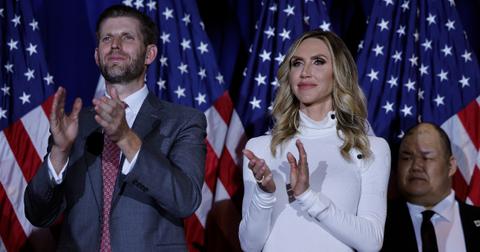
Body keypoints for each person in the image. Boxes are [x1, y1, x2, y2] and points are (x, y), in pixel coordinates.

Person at [24, 5, 206, 251]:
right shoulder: (76, 125)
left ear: (150, 54)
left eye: (127, 37)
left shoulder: (184, 121)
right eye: (107, 38)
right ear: (97, 55)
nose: (115, 45)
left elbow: (185, 200)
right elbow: (38, 214)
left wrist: (125, 137)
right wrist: (59, 152)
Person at [238, 30, 391, 252]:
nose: (305, 72)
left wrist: (309, 197)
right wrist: (265, 193)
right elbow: (250, 245)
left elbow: (372, 242)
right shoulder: (260, 148)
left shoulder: (370, 148)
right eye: (297, 63)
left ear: (338, 73)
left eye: (318, 62)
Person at [381, 123, 480, 252]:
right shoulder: (378, 222)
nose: (416, 166)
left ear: (451, 166)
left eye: (426, 157)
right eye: (406, 158)